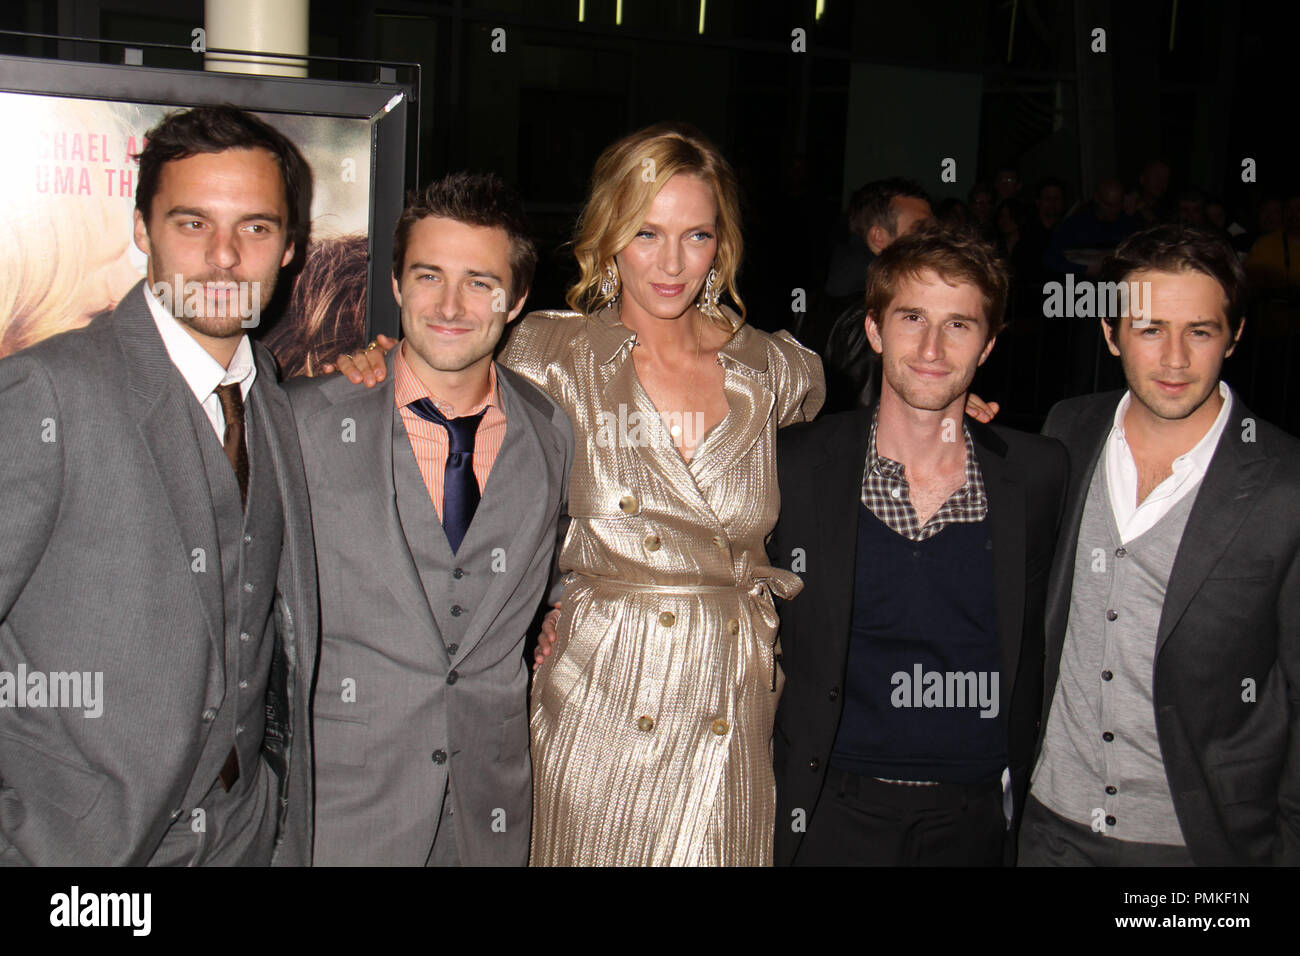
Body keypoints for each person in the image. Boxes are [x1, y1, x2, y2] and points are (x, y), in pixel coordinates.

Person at [333, 123, 825, 866]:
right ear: (608, 238)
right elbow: (445, 375)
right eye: (645, 233)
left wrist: (962, 417)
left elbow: (876, 435)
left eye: (695, 236)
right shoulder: (548, 353)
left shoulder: (777, 368)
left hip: (730, 692)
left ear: (720, 247)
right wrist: (371, 360)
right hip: (602, 688)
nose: (670, 263)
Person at [0, 105, 318, 865]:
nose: (224, 258)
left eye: (256, 228)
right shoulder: (47, 391)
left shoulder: (270, 393)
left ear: (290, 249)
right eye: (191, 224)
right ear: (142, 231)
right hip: (80, 847)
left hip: (244, 831)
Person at [289, 174, 571, 867]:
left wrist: (561, 616)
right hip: (342, 811)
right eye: (428, 276)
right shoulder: (305, 423)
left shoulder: (553, 430)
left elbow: (561, 572)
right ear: (394, 283)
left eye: (480, 282)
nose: (450, 305)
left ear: (520, 297)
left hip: (488, 814)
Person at [768, 223, 1068, 866]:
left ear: (988, 345)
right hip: (825, 806)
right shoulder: (795, 464)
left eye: (959, 325)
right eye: (912, 318)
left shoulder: (1038, 473)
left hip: (975, 816)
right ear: (874, 329)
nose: (932, 347)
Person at [1019, 223, 1300, 865]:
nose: (1175, 359)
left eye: (1199, 331)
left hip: (1194, 845)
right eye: (1149, 329)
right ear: (1111, 334)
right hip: (1048, 824)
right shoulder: (1066, 431)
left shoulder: (1286, 484)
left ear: (1234, 337)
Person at [818, 178, 935, 412]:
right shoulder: (874, 310)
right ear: (879, 238)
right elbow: (867, 412)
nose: (933, 240)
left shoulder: (829, 292)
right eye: (921, 230)